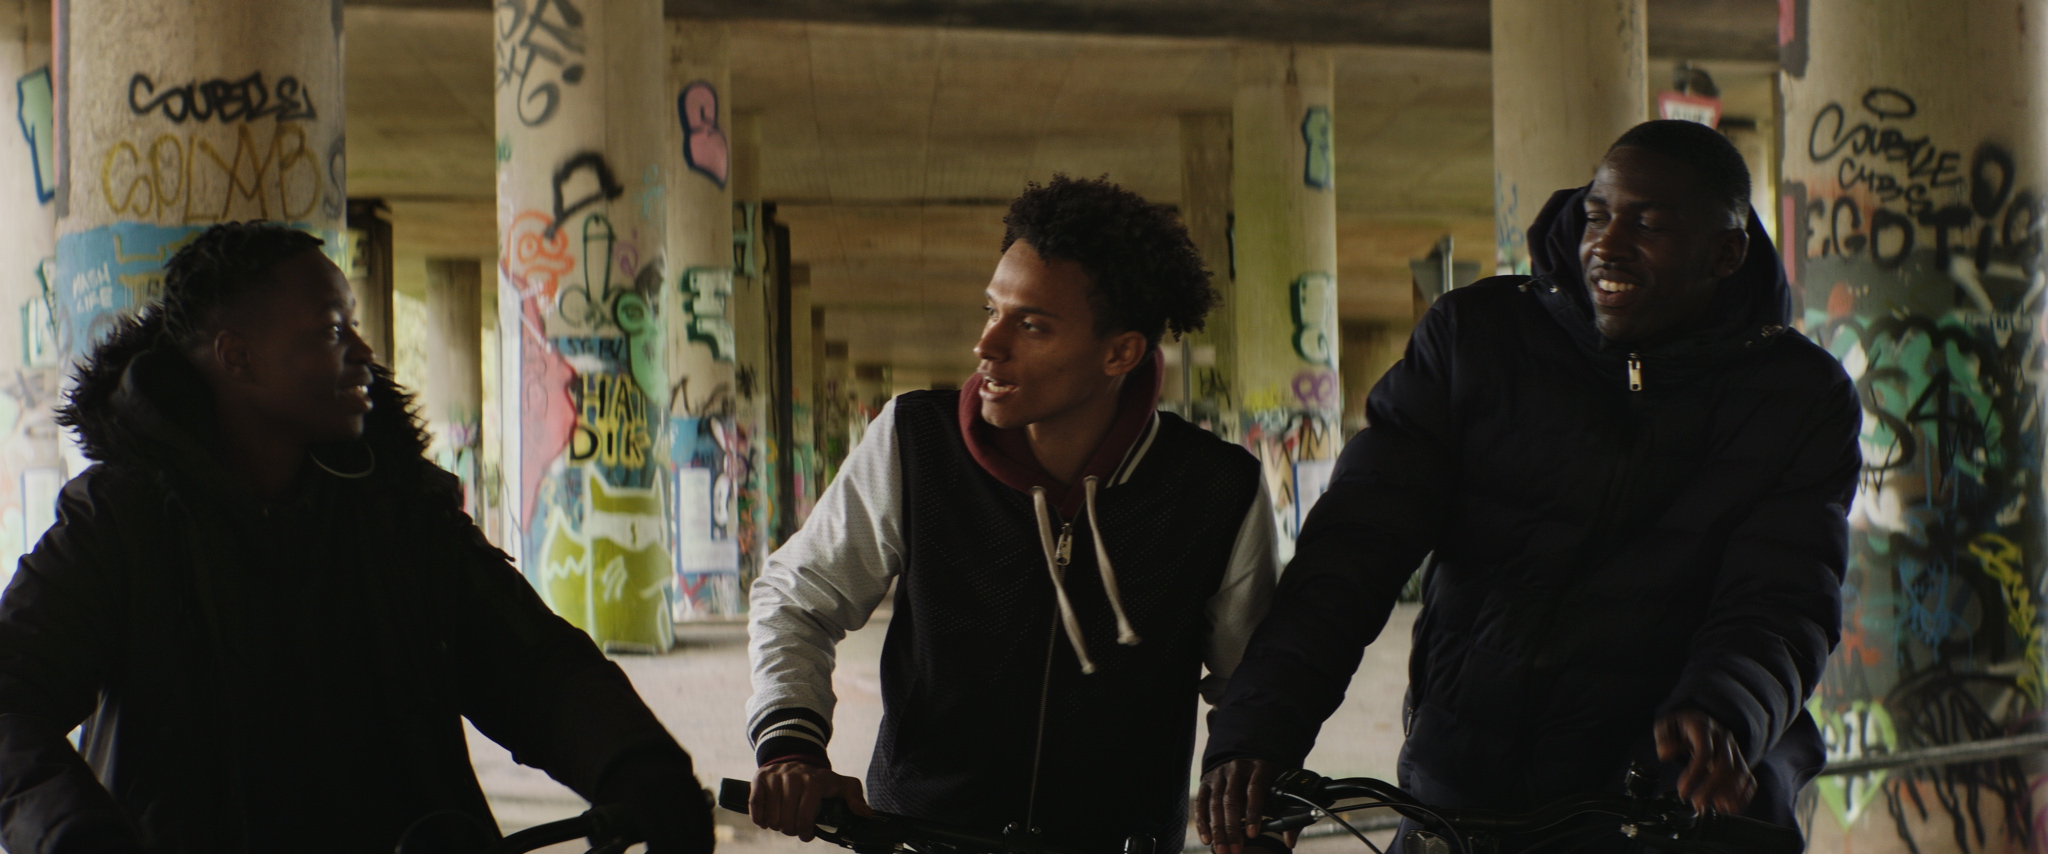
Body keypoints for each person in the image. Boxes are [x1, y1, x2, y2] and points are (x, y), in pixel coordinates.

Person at [1198, 120, 1860, 853]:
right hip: (1466, 789)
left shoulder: (1798, 394)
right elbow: (1352, 550)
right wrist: (1258, 733)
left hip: (1667, 803)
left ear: (1725, 252)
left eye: (1648, 223)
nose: (1606, 243)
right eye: (1598, 214)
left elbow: (1782, 592)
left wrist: (1729, 709)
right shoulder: (1474, 337)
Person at [0, 222, 714, 854]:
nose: (366, 352)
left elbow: (532, 666)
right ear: (238, 358)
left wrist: (637, 765)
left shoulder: (402, 514)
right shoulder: (118, 520)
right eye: (333, 330)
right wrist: (74, 834)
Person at [746, 175, 1279, 853]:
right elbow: (798, 597)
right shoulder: (916, 441)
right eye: (991, 310)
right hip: (922, 838)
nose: (987, 345)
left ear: (1121, 352)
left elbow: (1251, 681)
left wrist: (1249, 778)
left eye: (1030, 325)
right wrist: (791, 745)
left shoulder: (1214, 488)